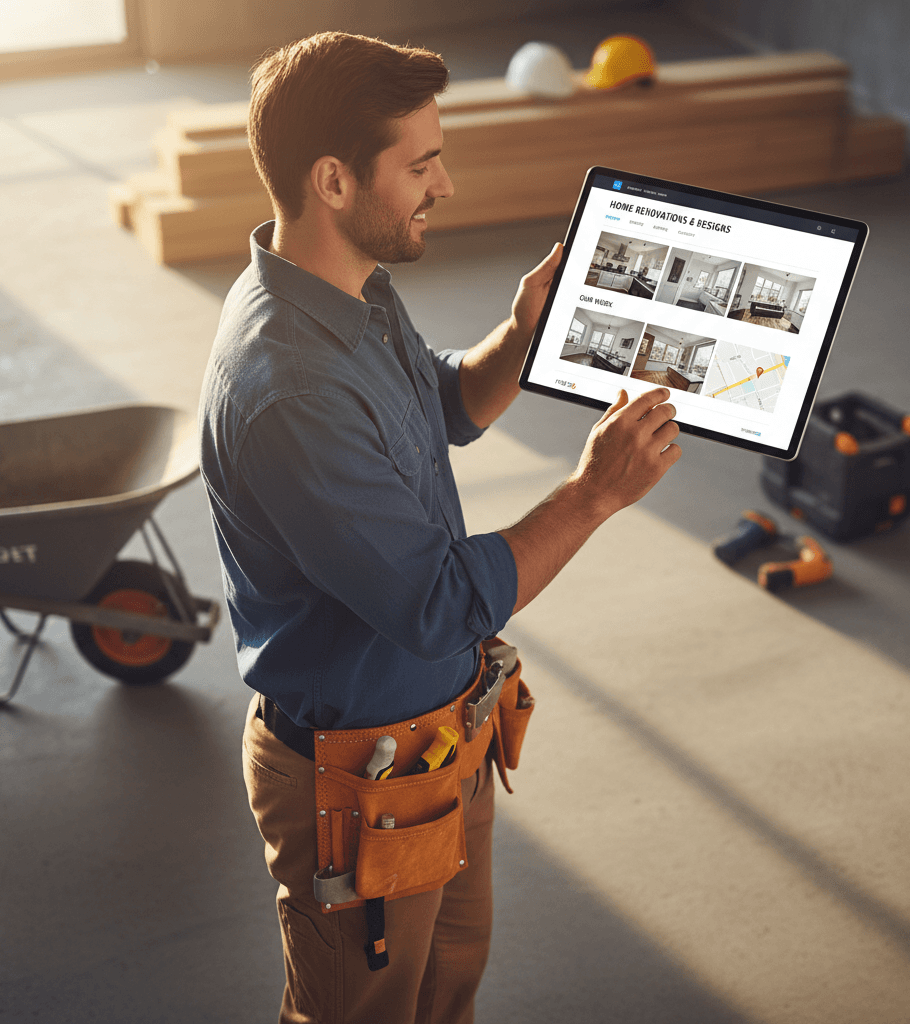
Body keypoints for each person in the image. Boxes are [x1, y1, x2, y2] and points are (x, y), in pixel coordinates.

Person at [198, 30, 682, 1024]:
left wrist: (521, 335)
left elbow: (440, 407)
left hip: (442, 746)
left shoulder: (351, 287)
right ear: (333, 180)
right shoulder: (288, 387)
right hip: (358, 778)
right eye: (420, 164)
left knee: (444, 994)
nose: (445, 184)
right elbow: (434, 603)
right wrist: (592, 493)